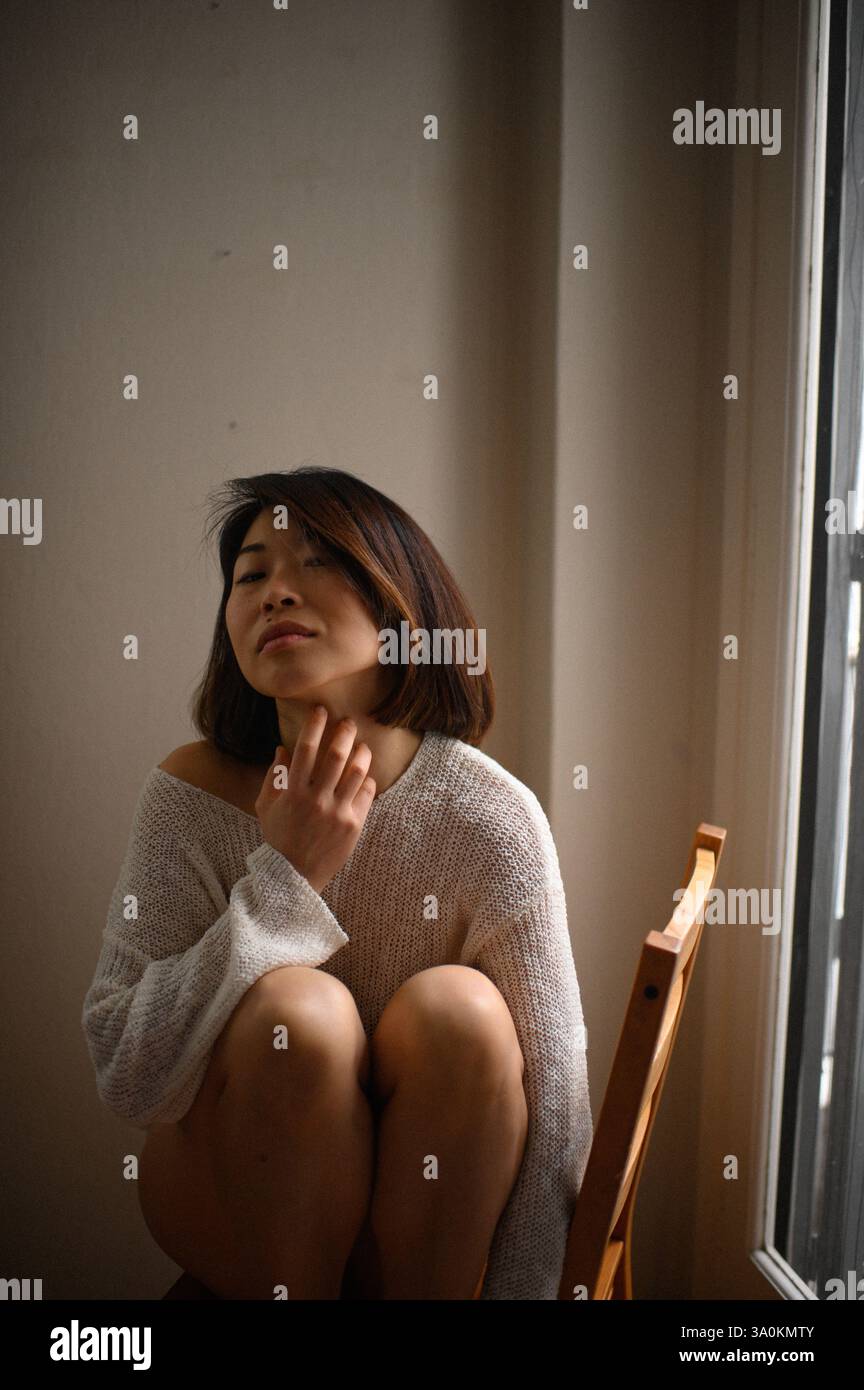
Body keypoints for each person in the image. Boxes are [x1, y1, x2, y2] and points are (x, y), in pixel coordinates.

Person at [81, 466, 593, 1300]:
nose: (276, 592)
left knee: (460, 1010)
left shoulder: (492, 819)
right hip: (233, 1207)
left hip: (428, 1231)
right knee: (298, 1015)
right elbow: (128, 1074)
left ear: (401, 606)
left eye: (316, 562)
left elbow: (558, 1118)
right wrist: (284, 877)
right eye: (251, 575)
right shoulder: (189, 795)